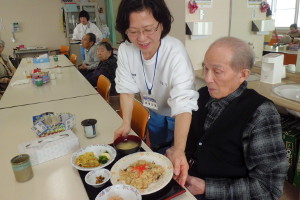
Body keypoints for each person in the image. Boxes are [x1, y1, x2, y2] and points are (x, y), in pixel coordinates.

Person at [167, 37, 288, 199]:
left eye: (217, 71)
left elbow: (268, 187)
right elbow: (193, 140)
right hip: (184, 183)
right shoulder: (203, 95)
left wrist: (207, 188)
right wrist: (177, 150)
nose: (208, 78)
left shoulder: (261, 114)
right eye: (206, 68)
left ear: (243, 74)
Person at [114, 0, 199, 187]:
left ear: (162, 24)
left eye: (149, 29)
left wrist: (179, 149)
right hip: (154, 112)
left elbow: (184, 103)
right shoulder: (126, 50)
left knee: (178, 158)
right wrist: (126, 123)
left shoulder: (175, 52)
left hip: (180, 116)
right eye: (133, 31)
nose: (142, 38)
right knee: (159, 155)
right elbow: (127, 90)